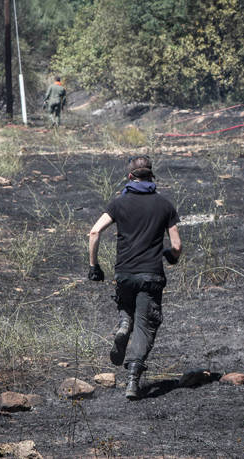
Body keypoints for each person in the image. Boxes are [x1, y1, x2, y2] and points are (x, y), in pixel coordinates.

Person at [88, 155, 182, 400]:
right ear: (151, 176)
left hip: (125, 274)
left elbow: (95, 231)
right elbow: (177, 246)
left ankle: (123, 325)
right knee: (146, 325)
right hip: (151, 274)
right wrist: (170, 256)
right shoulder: (165, 205)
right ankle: (132, 380)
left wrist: (94, 266)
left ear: (130, 177)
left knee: (126, 306)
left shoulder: (118, 203)